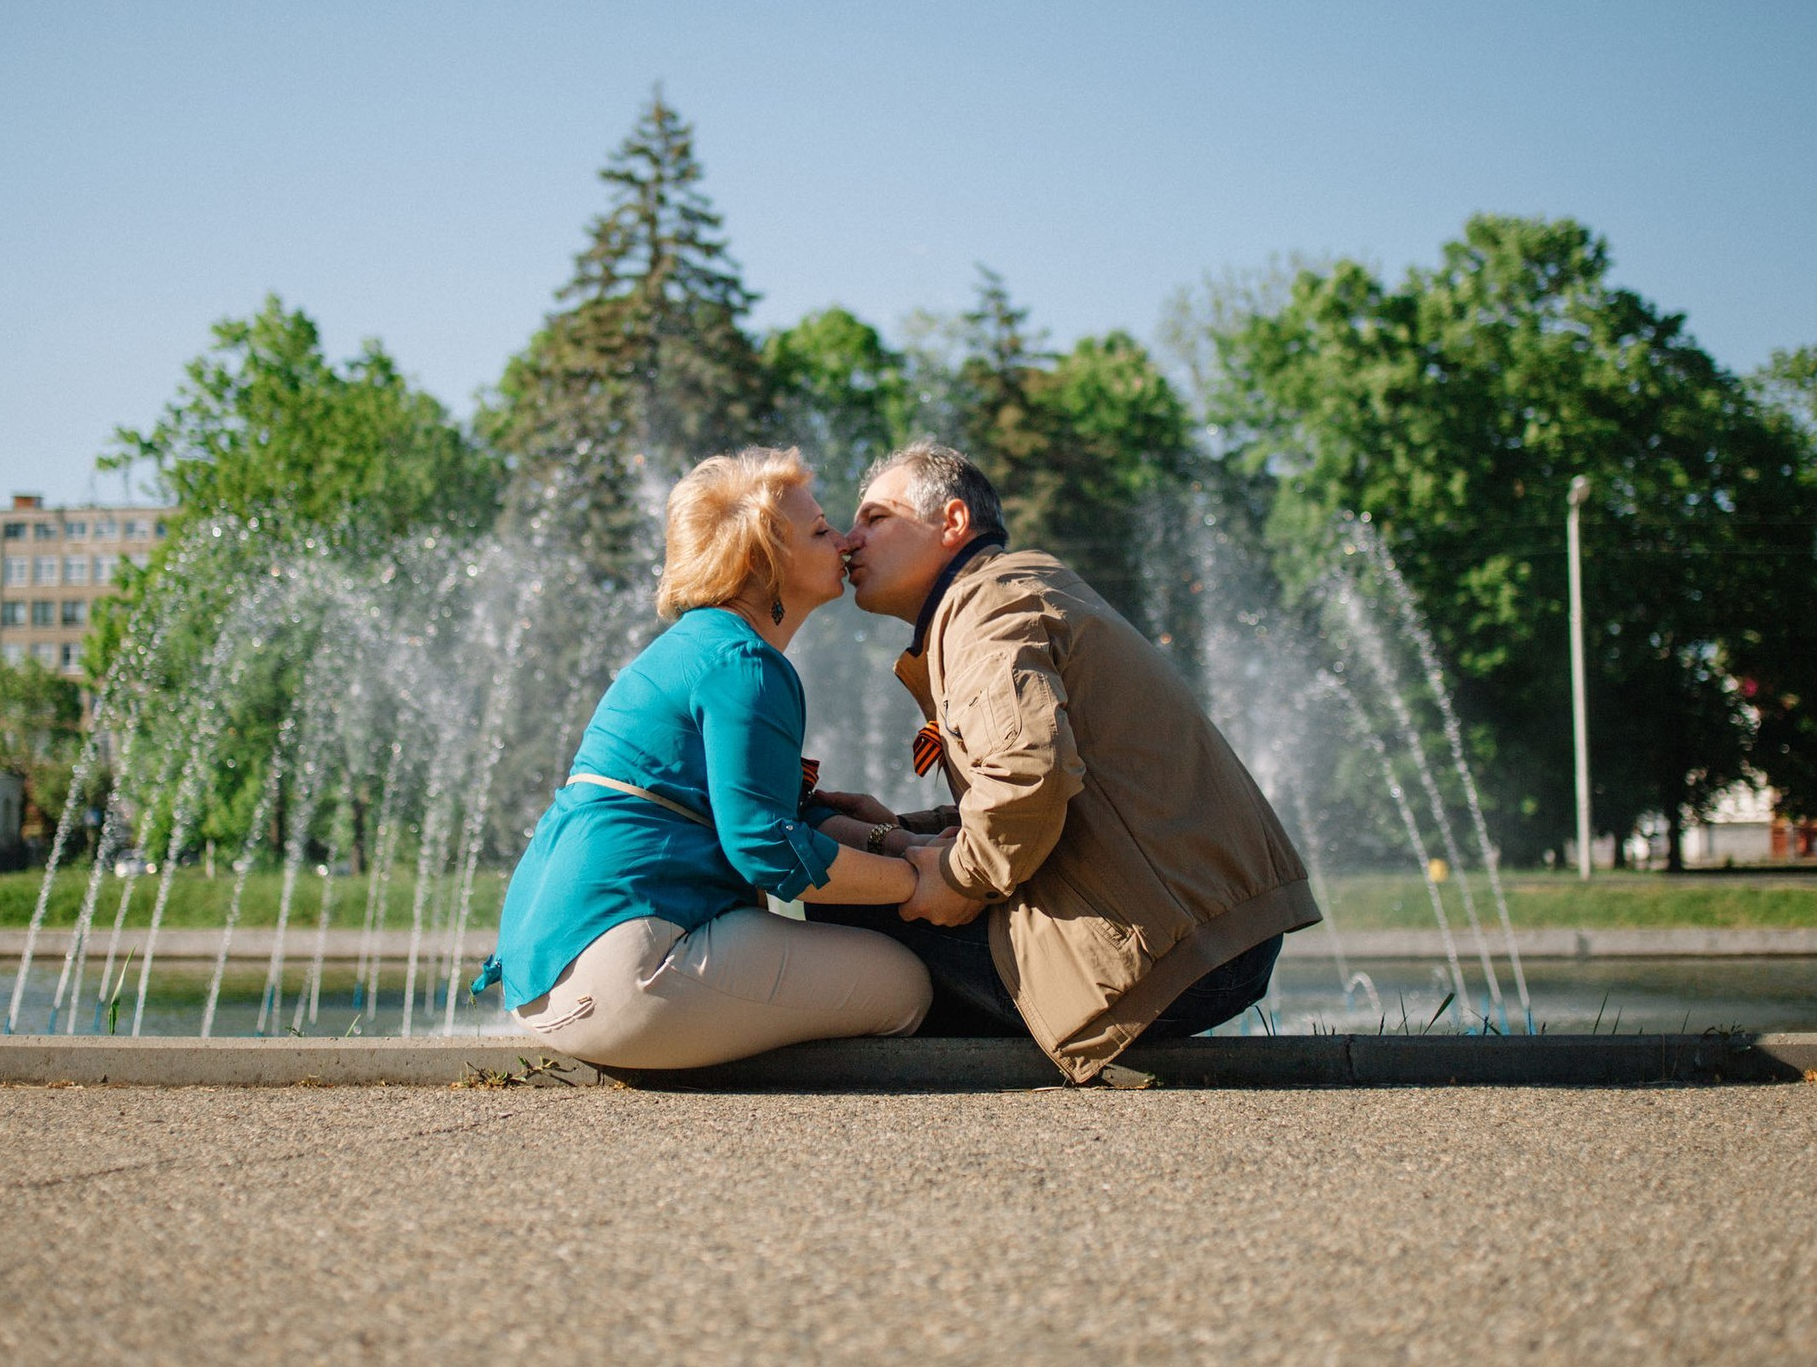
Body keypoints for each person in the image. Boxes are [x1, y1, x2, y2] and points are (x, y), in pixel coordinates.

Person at [817, 440, 1321, 1083]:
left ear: (951, 523)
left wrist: (959, 879)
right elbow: (1059, 783)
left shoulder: (984, 606)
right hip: (1208, 934)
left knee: (841, 889)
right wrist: (909, 829)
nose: (848, 540)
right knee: (872, 862)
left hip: (1169, 957)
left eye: (875, 518)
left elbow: (1032, 776)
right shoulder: (1017, 590)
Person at [474, 447, 935, 1070]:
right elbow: (768, 849)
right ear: (765, 559)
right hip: (626, 978)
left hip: (551, 978)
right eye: (821, 530)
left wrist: (898, 840)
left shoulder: (700, 648)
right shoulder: (747, 664)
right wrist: (920, 882)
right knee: (906, 987)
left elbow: (779, 820)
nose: (846, 541)